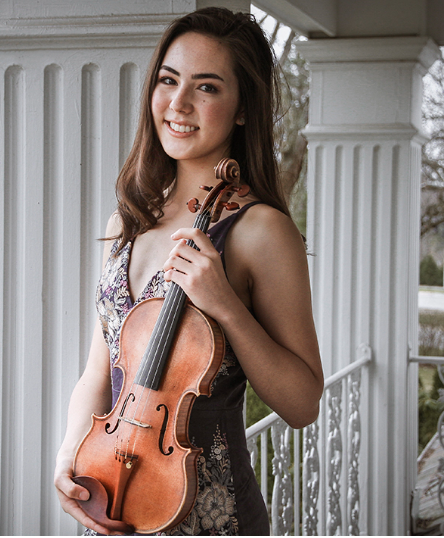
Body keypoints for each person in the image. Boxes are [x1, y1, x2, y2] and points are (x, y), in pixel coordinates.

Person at [54, 7, 323, 536]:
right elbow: (98, 372)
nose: (178, 103)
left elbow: (302, 403)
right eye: (168, 80)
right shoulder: (127, 221)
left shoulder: (261, 231)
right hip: (113, 497)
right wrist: (69, 455)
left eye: (206, 87)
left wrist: (225, 305)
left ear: (242, 109)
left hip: (212, 519)